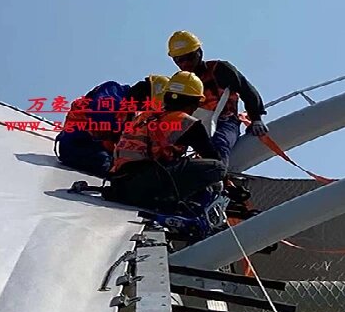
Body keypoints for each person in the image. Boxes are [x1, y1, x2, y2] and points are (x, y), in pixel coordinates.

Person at [106, 71, 227, 213]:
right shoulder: (186, 122)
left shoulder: (144, 116)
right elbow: (212, 156)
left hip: (119, 186)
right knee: (217, 167)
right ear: (194, 102)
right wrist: (228, 183)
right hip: (143, 187)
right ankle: (169, 202)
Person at [167, 30, 268, 165]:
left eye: (189, 57)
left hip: (225, 121)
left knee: (219, 144)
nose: (185, 63)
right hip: (193, 127)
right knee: (166, 150)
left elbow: (246, 90)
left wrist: (256, 119)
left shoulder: (219, 69)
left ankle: (217, 174)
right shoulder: (179, 82)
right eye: (179, 60)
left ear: (199, 52)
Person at [55, 75, 168, 177]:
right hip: (76, 146)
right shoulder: (113, 91)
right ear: (144, 95)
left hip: (96, 149)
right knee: (112, 167)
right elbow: (100, 114)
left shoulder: (129, 114)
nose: (144, 109)